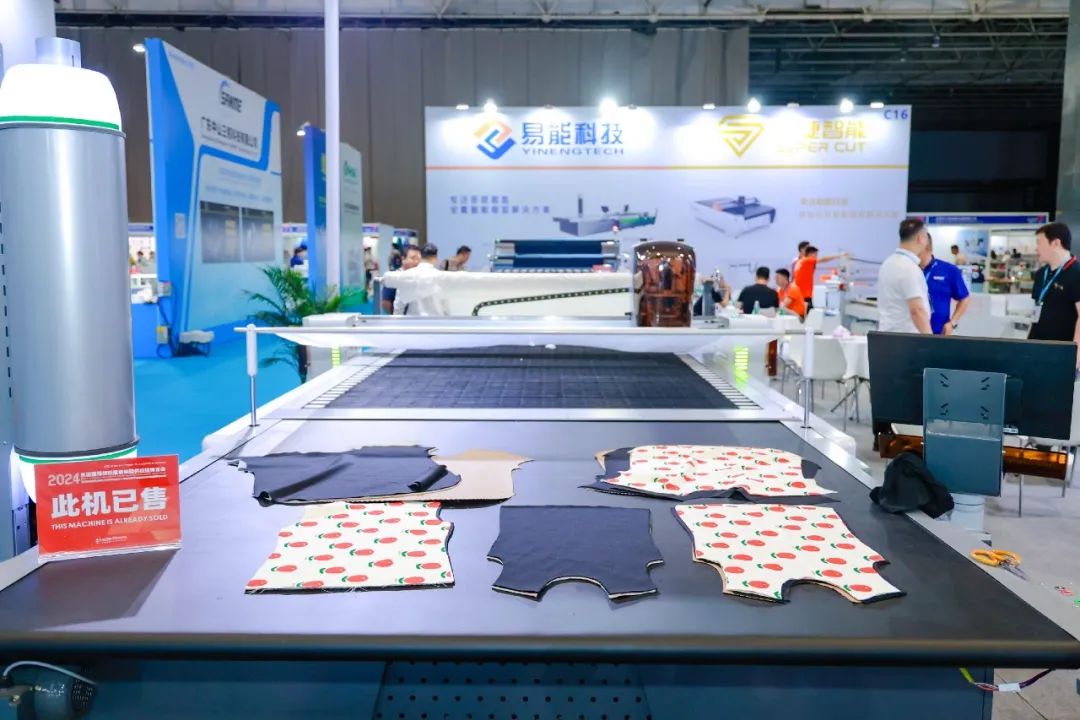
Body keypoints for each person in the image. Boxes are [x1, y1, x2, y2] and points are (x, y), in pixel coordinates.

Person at [1028, 223, 1080, 364]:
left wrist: (1077, 357)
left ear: (1056, 243)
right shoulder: (1041, 274)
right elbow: (1036, 311)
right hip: (1036, 349)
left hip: (1062, 353)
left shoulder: (1076, 273)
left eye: (1039, 242)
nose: (1036, 248)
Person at [877, 218, 931, 334]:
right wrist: (931, 340)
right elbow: (917, 311)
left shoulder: (888, 263)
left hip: (888, 335)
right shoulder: (909, 268)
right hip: (907, 338)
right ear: (920, 238)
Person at [921, 235, 971, 335]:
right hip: (911, 333)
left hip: (939, 333)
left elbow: (965, 299)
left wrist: (952, 323)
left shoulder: (949, 270)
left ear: (928, 247)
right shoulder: (908, 270)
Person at [394, 243, 450, 316]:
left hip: (413, 321)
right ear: (436, 258)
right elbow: (445, 308)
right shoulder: (442, 277)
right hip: (436, 321)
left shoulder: (407, 275)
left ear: (420, 256)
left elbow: (398, 307)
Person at [382, 244, 420, 314]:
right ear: (403, 259)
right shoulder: (394, 277)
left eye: (418, 259)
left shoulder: (419, 276)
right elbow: (386, 303)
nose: (416, 262)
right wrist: (396, 316)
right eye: (413, 258)